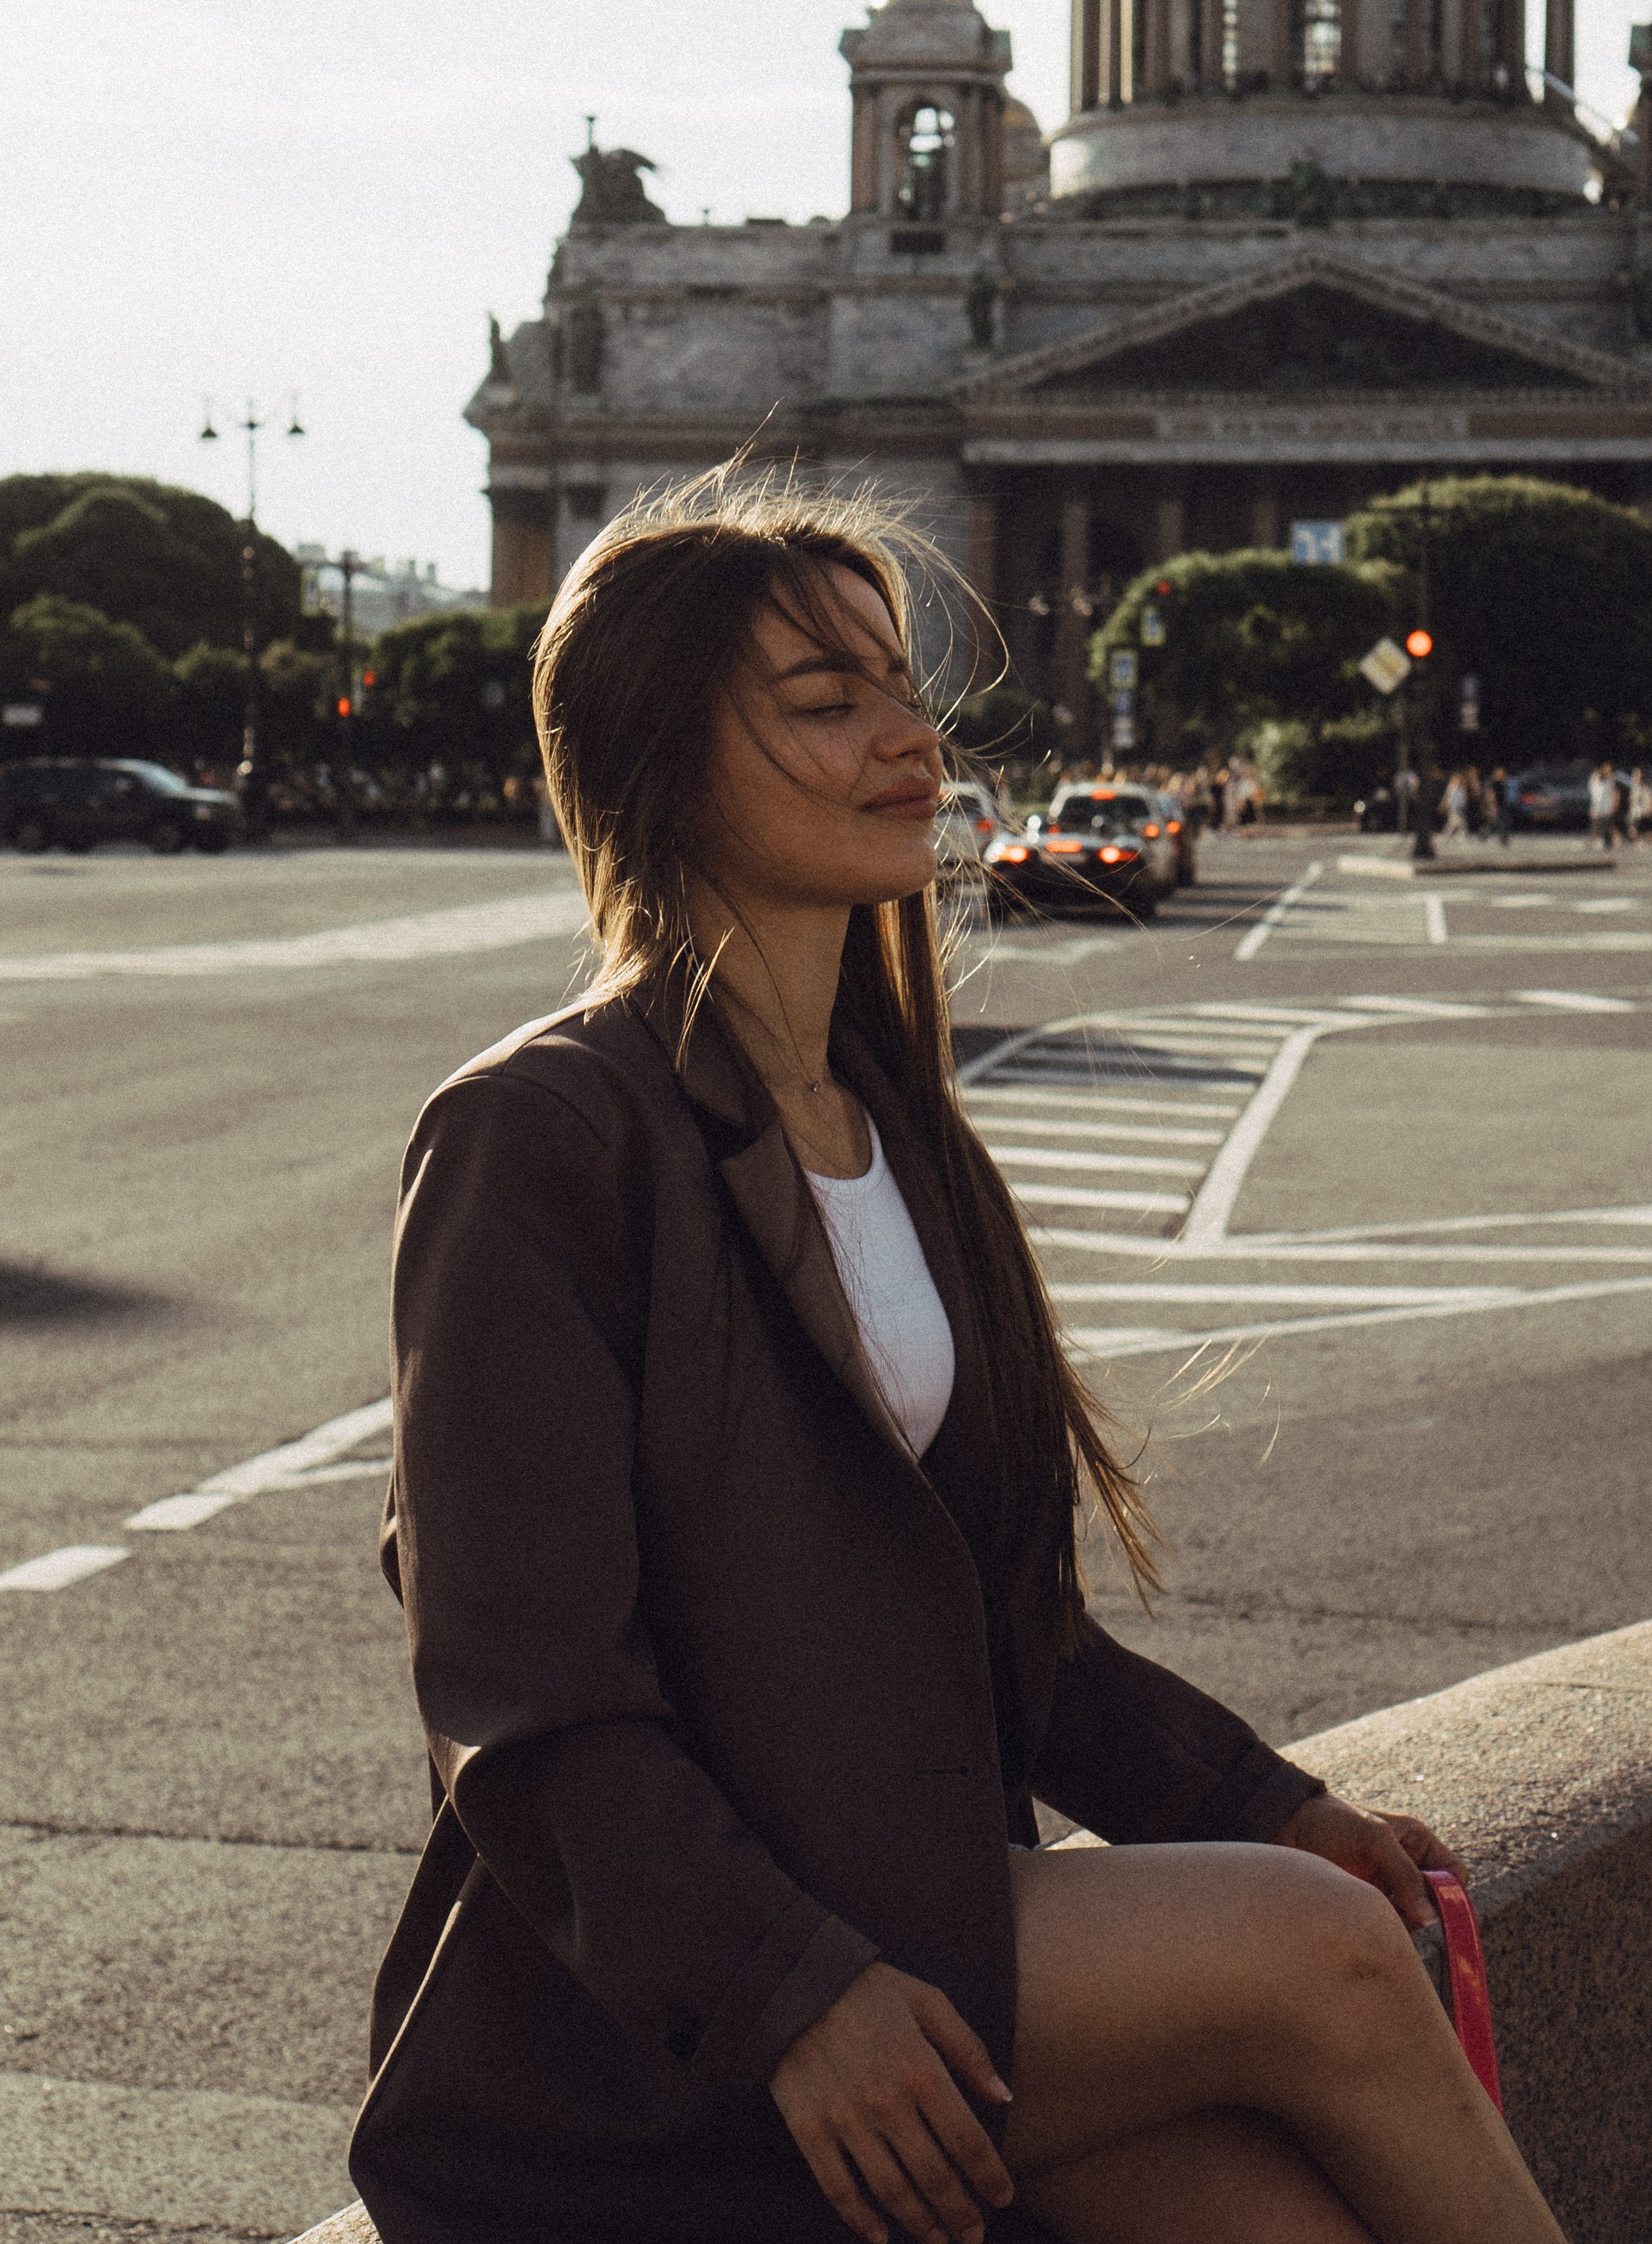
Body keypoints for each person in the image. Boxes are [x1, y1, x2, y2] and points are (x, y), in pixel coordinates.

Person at [350, 477, 1568, 2244]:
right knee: (1318, 1960)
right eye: (825, 706)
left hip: (909, 1924)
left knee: (1263, 2215)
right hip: (645, 2027)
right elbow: (519, 1695)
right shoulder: (538, 1133)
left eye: (903, 691)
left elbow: (1005, 1626)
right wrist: (787, 1994)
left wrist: (1265, 1802)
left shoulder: (894, 1125)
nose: (912, 743)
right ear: (654, 757)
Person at [1585, 760, 1619, 854]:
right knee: (1596, 825)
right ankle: (1592, 841)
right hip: (1598, 808)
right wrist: (1592, 807)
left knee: (1609, 826)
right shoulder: (1595, 781)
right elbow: (1594, 795)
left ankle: (1612, 842)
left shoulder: (1611, 781)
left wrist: (1614, 806)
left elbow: (1614, 794)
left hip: (1607, 808)